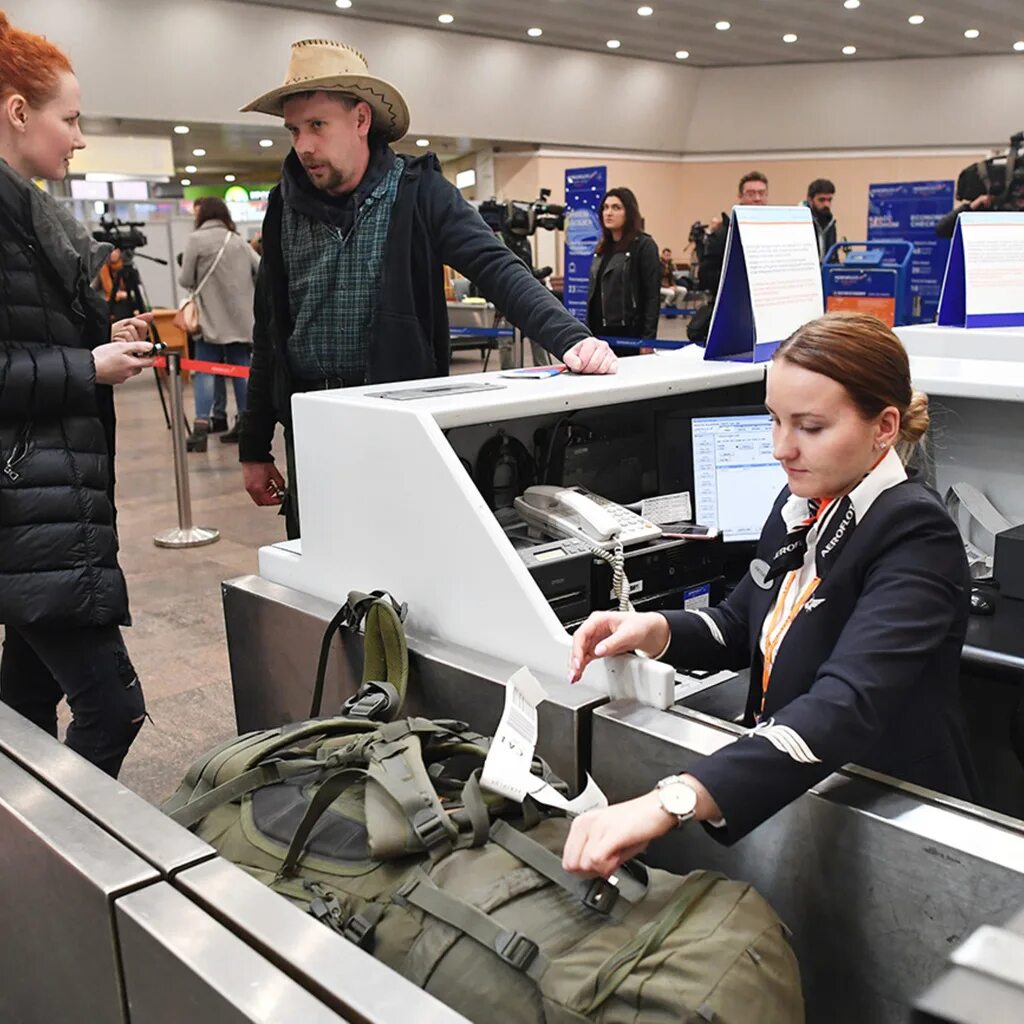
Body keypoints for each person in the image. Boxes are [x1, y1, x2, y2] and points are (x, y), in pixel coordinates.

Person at [562, 312, 978, 878]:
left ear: (884, 427)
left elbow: (847, 703)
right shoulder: (804, 502)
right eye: (775, 421)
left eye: (809, 427)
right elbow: (742, 626)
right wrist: (653, 630)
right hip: (797, 782)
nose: (782, 448)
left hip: (889, 814)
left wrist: (674, 799)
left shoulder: (915, 534)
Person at [239, 38, 617, 537]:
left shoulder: (418, 193)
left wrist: (571, 339)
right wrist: (254, 446)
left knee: (404, 577)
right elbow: (269, 334)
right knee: (324, 577)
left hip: (401, 429)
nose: (303, 145)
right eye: (294, 130)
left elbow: (495, 265)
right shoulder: (282, 207)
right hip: (311, 429)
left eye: (317, 125)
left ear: (360, 120)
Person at [0, 12, 156, 777]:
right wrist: (85, 368)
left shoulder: (31, 218)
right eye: (71, 117)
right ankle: (66, 865)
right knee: (111, 706)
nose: (80, 136)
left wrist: (98, 339)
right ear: (17, 110)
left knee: (25, 705)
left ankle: (26, 858)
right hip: (33, 511)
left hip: (47, 506)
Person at [178, 196, 260, 451]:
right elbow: (261, 269)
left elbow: (185, 279)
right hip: (240, 321)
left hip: (209, 320)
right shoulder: (237, 241)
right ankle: (245, 423)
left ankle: (202, 426)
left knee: (204, 371)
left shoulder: (196, 240)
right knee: (241, 370)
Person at [690, 171, 769, 344]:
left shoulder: (773, 233)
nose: (757, 198)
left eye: (762, 193)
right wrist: (738, 279)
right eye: (751, 193)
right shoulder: (724, 234)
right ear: (740, 197)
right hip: (731, 313)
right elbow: (706, 275)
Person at [585, 187, 660, 357]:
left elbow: (652, 296)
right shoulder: (602, 248)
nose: (608, 213)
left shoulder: (644, 245)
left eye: (616, 208)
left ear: (629, 212)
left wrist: (648, 339)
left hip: (630, 335)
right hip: (599, 334)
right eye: (605, 207)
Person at [805, 178, 837, 263]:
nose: (826, 204)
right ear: (810, 200)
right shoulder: (801, 221)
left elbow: (833, 253)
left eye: (829, 200)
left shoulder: (830, 221)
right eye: (821, 200)